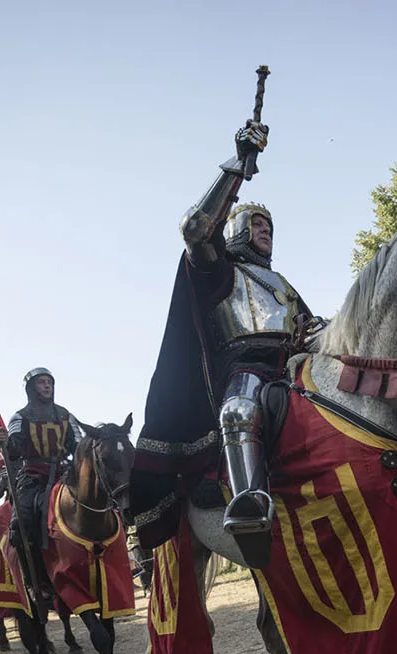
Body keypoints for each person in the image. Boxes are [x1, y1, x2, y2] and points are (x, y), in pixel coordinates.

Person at [129, 118, 321, 555]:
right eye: (256, 223)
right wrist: (238, 164)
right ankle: (248, 501)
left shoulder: (282, 283)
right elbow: (195, 228)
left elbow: (305, 327)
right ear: (234, 229)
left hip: (293, 364)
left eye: (269, 224)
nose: (266, 228)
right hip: (244, 367)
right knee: (238, 410)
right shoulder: (218, 271)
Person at [0, 369, 80, 597]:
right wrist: (5, 442)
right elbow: (15, 450)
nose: (47, 386)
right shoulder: (20, 417)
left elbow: (76, 446)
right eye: (41, 382)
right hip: (33, 477)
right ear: (32, 388)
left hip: (64, 473)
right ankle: (35, 581)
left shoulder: (64, 414)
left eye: (49, 382)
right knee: (20, 525)